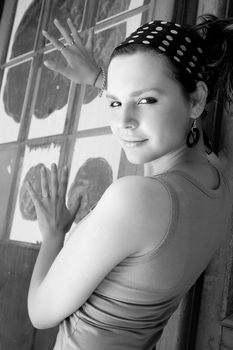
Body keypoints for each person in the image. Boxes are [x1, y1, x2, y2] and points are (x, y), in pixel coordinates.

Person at [26, 15, 233, 349]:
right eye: (114, 102)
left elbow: (40, 313)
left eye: (146, 100)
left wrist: (53, 235)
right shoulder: (218, 181)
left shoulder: (136, 199)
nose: (122, 121)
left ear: (196, 99)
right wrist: (103, 80)